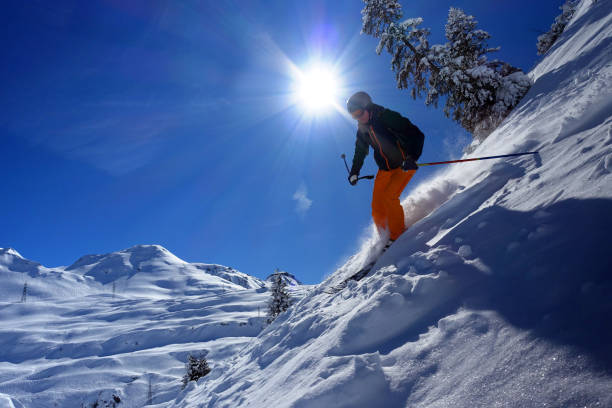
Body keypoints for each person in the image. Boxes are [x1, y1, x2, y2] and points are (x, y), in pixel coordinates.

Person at [346, 91, 425, 247]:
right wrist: (354, 171)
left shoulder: (386, 116)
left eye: (359, 112)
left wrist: (412, 157)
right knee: (376, 207)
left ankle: (397, 236)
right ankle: (385, 238)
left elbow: (416, 134)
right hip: (385, 169)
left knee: (390, 198)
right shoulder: (362, 129)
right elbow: (360, 151)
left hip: (404, 165)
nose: (358, 117)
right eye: (354, 116)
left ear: (367, 106)